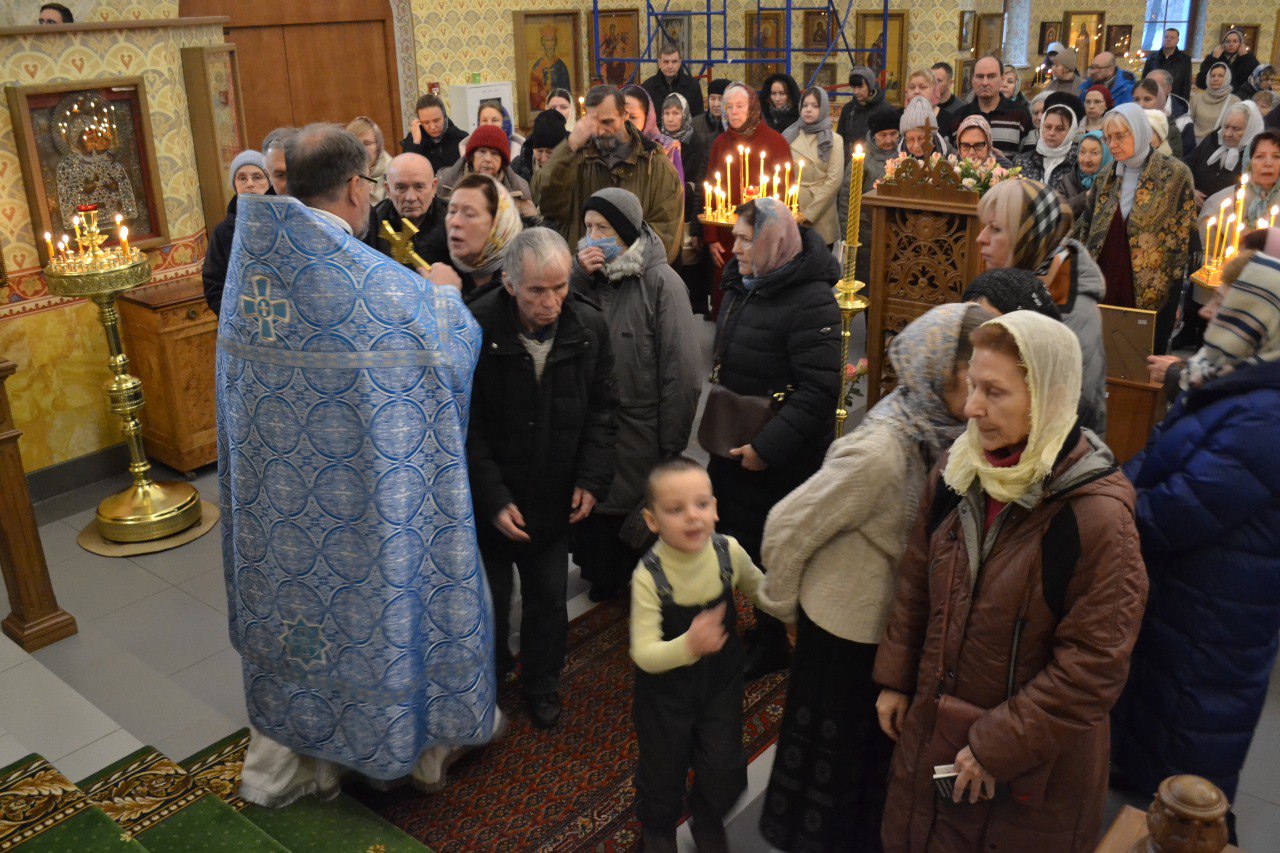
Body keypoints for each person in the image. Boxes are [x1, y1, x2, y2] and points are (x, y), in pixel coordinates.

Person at [217, 123, 499, 805]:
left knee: (305, 621)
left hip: (284, 515)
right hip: (368, 512)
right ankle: (403, 750)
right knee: (382, 618)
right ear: (355, 187)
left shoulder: (251, 275)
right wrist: (444, 291)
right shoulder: (376, 285)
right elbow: (451, 352)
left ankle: (302, 753)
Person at [874, 309, 1147, 853]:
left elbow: (1094, 666)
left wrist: (995, 746)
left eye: (994, 392)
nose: (972, 407)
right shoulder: (960, 469)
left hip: (1026, 768)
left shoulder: (1096, 517)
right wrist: (897, 677)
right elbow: (915, 583)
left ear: (1048, 395)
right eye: (972, 385)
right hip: (936, 728)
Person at [758, 303, 992, 853]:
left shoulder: (936, 429)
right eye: (972, 377)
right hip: (842, 637)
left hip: (877, 638)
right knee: (825, 776)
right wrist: (785, 612)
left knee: (860, 775)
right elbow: (786, 526)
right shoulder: (883, 450)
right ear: (941, 372)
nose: (980, 395)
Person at [1111, 234, 1280, 832]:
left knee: (1189, 779)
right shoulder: (1228, 380)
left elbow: (1185, 508)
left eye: (1226, 298)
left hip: (1213, 622)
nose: (1208, 310)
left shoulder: (1266, 414)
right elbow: (1157, 460)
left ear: (1258, 317)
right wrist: (1115, 485)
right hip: (1185, 607)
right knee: (1151, 757)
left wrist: (1107, 509)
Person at [466, 227, 618, 730]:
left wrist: (592, 481)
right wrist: (491, 498)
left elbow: (603, 411)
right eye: (537, 291)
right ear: (509, 283)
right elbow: (468, 426)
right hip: (495, 498)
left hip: (553, 495)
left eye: (559, 287)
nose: (552, 302)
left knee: (549, 600)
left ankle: (542, 682)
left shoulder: (589, 328)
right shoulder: (476, 328)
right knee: (486, 601)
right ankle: (485, 681)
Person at [709, 198, 840, 679]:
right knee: (735, 539)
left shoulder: (810, 299)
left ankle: (772, 643)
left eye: (745, 238)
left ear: (772, 240)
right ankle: (760, 628)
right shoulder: (749, 284)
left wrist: (767, 449)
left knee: (769, 550)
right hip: (737, 434)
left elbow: (820, 390)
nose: (735, 247)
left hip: (779, 456)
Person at [630, 459, 775, 853]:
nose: (692, 517)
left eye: (701, 504)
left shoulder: (727, 552)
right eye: (676, 510)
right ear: (652, 520)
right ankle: (657, 830)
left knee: (724, 766)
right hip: (665, 695)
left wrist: (795, 614)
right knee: (662, 771)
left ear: (715, 507)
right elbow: (643, 653)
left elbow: (762, 590)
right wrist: (688, 645)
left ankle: (707, 814)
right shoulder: (648, 575)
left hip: (719, 685)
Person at [568, 188, 702, 602]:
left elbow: (682, 374)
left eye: (603, 228)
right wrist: (576, 277)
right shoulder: (585, 280)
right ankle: (603, 576)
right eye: (588, 227)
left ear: (625, 232)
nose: (593, 237)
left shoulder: (661, 283)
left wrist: (672, 445)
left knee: (633, 524)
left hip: (640, 428)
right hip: (593, 426)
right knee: (594, 524)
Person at [977, 178, 1108, 436]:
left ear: (1028, 238)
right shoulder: (1019, 284)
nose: (981, 238)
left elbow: (1072, 408)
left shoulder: (1071, 308)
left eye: (995, 229)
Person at [1074, 103, 1195, 348]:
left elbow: (1183, 236)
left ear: (1140, 132)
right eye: (1109, 138)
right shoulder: (1106, 175)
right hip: (1106, 274)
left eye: (1120, 136)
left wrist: (1176, 296)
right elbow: (1086, 225)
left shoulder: (1174, 174)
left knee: (1140, 354)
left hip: (1150, 283)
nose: (1113, 143)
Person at [534, 85, 684, 264]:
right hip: (583, 278)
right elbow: (546, 202)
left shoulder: (655, 165)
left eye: (607, 122)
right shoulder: (576, 158)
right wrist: (569, 147)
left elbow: (665, 234)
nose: (599, 131)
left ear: (624, 115)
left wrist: (619, 264)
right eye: (593, 123)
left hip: (634, 280)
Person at [202, 150, 272, 314]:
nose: (249, 184)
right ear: (235, 185)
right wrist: (233, 317)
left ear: (269, 182)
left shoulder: (285, 224)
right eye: (242, 178)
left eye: (257, 177)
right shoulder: (223, 232)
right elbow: (214, 284)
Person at [437, 172, 523, 301]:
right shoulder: (430, 271)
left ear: (498, 225)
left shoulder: (524, 280)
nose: (454, 222)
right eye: (452, 211)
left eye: (469, 214)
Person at [363, 152, 449, 270]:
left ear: (434, 187)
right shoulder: (372, 223)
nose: (411, 198)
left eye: (419, 186)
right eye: (401, 188)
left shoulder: (452, 220)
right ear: (388, 190)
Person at [437, 125, 539, 222]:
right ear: (472, 156)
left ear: (502, 161)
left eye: (494, 153)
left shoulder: (520, 189)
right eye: (482, 151)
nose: (488, 159)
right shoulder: (445, 182)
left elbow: (532, 230)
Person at [845, 108, 901, 285]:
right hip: (865, 231)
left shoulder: (903, 155)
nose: (889, 140)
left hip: (895, 230)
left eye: (893, 134)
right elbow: (848, 194)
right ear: (874, 135)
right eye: (883, 135)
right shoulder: (863, 157)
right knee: (866, 281)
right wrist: (847, 231)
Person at [783, 86, 844, 246]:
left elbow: (834, 181)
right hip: (793, 210)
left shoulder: (834, 140)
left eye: (815, 106)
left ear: (823, 108)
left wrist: (809, 215)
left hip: (821, 215)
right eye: (805, 105)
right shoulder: (790, 134)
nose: (808, 110)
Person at [951, 56, 1032, 157]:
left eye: (991, 76)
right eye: (980, 77)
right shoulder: (959, 117)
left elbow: (1029, 159)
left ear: (1001, 80)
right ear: (972, 80)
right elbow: (954, 160)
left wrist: (1005, 166)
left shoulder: (1020, 114)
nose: (985, 83)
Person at [1188, 101, 1264, 206]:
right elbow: (1190, 167)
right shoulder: (1212, 140)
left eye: (1236, 129)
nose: (1228, 134)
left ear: (1250, 129)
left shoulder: (1258, 155)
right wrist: (1191, 190)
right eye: (1226, 126)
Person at [622, 84, 685, 185]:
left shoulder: (667, 148)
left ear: (647, 118)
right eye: (621, 115)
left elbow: (677, 196)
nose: (626, 122)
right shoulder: (608, 147)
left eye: (633, 117)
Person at [1014, 101, 1078, 194]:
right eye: (1048, 127)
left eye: (1060, 129)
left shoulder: (1078, 164)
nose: (1051, 133)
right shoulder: (1021, 161)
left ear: (1071, 132)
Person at [838, 66, 898, 157]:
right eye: (853, 87)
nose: (856, 92)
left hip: (876, 161)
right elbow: (840, 139)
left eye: (860, 87)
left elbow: (891, 141)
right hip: (850, 161)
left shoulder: (885, 109)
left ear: (870, 86)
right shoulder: (848, 109)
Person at [401, 93, 467, 174]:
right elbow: (407, 172)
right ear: (419, 122)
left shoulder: (461, 139)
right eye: (426, 122)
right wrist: (416, 142)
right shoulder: (412, 142)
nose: (432, 127)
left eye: (436, 121)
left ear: (444, 116)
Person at [1133, 78, 1194, 158]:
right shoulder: (1128, 124)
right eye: (1136, 99)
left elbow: (1176, 163)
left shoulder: (1170, 128)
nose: (1141, 104)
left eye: (1147, 99)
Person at [642, 43, 704, 118]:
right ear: (659, 63)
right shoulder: (648, 86)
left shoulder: (692, 85)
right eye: (666, 62)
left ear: (679, 63)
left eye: (674, 62)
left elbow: (698, 118)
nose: (670, 66)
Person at [1059, 130, 1111, 216]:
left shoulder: (1114, 182)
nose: (1086, 159)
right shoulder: (1067, 181)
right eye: (1082, 152)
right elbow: (1058, 211)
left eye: (1094, 153)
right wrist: (1085, 197)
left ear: (1107, 155)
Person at [1196, 27, 1260, 96]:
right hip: (1217, 95)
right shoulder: (1215, 56)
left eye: (1235, 41)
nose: (1231, 44)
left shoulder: (1249, 57)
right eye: (1228, 41)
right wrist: (1213, 58)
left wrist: (1245, 58)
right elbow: (1201, 81)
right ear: (1223, 43)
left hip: (1240, 97)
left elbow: (1253, 80)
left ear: (1241, 43)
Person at [512, 108, 569, 184]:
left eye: (550, 152)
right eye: (539, 151)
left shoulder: (576, 169)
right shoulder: (517, 169)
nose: (543, 159)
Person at [1190, 63, 1241, 144]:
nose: (1215, 79)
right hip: (1195, 145)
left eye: (1220, 76)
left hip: (1220, 147)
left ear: (1227, 78)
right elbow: (1188, 123)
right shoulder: (1196, 99)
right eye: (1213, 76)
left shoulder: (1235, 101)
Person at [459, 102, 525, 162]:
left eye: (495, 120)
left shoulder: (523, 152)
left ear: (505, 123)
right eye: (484, 120)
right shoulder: (469, 152)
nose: (489, 124)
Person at [347, 115, 391, 204]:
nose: (361, 149)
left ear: (378, 146)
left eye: (367, 143)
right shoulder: (341, 176)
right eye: (356, 144)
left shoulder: (394, 172)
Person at [1143, 27, 1192, 102]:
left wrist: (1183, 103)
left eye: (1172, 37)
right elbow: (1144, 80)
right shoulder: (1152, 57)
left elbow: (1186, 84)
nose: (1168, 39)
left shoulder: (1185, 59)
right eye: (1166, 37)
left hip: (1174, 99)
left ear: (1177, 40)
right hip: (1153, 97)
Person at [905, 68, 955, 138]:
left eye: (922, 87)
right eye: (912, 87)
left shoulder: (949, 120)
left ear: (933, 90)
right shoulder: (898, 116)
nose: (916, 91)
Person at [697, 79, 729, 148]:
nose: (716, 104)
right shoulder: (696, 124)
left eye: (721, 99)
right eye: (712, 98)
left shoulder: (735, 125)